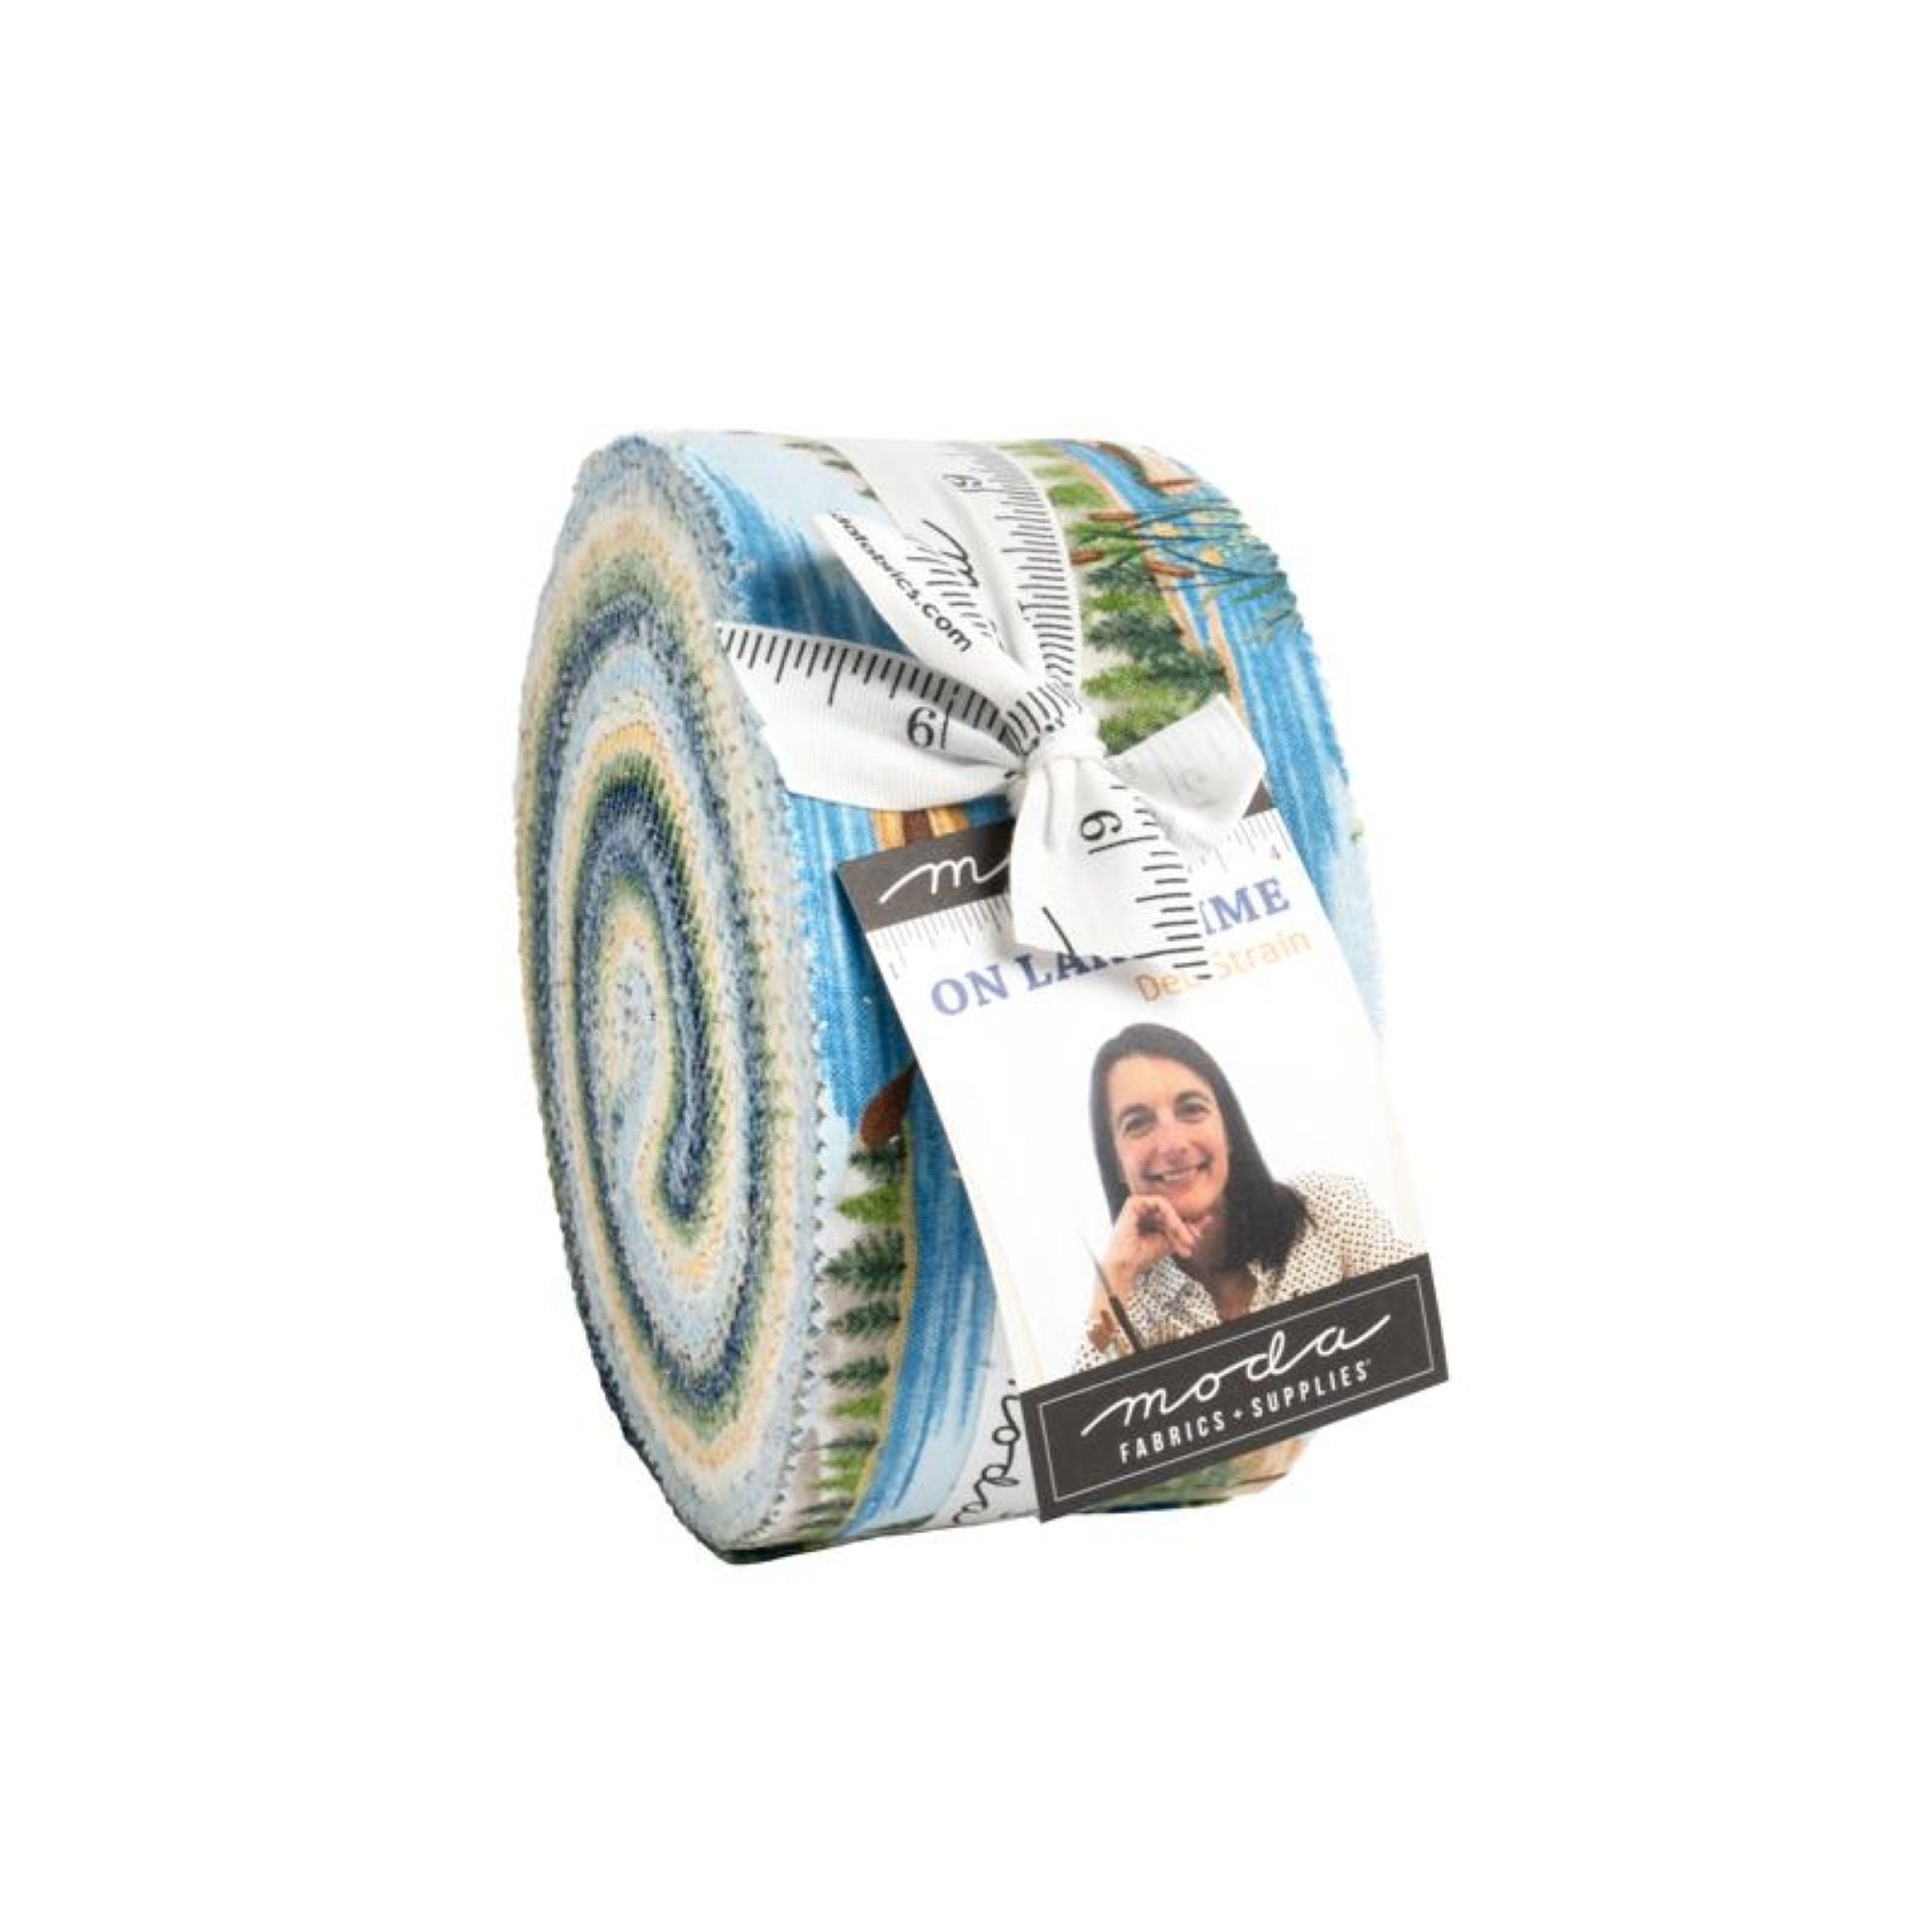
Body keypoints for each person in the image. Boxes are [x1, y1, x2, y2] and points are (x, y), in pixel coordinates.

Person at [1074, 1022, 1414, 1372]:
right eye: (1138, 1123)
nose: (1172, 1144)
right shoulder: (1128, 1302)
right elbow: (1092, 1402)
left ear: (1228, 1131)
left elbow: (1426, 1325)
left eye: (1191, 1109)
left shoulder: (1328, 1208)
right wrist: (1114, 1277)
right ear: (1116, 1163)